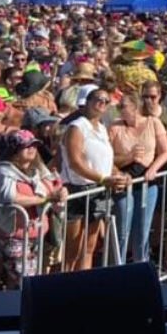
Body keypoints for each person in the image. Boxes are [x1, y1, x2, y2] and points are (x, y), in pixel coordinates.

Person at [61, 87, 127, 272]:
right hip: (78, 188)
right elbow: (75, 162)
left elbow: (106, 161)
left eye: (106, 101)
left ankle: (84, 284)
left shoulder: (102, 129)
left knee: (90, 245)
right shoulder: (77, 126)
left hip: (98, 190)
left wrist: (118, 174)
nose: (101, 103)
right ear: (87, 102)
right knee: (72, 248)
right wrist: (102, 179)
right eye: (97, 99)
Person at [0, 130, 67, 288]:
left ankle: (17, 309)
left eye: (34, 145)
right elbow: (10, 197)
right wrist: (43, 199)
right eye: (26, 146)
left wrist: (61, 191)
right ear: (14, 150)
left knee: (24, 281)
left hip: (36, 235)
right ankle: (20, 310)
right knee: (25, 281)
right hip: (14, 236)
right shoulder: (3, 170)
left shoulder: (37, 170)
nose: (32, 149)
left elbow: (53, 188)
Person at [109, 89, 167, 264]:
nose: (120, 110)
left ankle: (141, 266)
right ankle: (117, 269)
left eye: (123, 106)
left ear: (135, 107)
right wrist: (126, 161)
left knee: (142, 229)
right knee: (122, 230)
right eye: (119, 107)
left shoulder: (153, 122)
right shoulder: (114, 127)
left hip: (146, 181)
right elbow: (108, 157)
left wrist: (154, 169)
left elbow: (165, 151)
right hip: (124, 179)